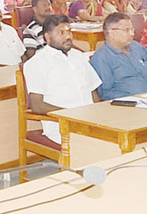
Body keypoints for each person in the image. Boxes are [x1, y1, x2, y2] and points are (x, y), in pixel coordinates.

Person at [23, 14, 102, 144]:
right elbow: (37, 105)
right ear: (47, 37)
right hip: (61, 124)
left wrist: (98, 115)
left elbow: (93, 90)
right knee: (98, 144)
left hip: (89, 119)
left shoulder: (78, 56)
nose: (67, 36)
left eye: (69, 32)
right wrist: (69, 115)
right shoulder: (37, 63)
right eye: (61, 33)